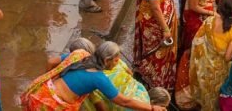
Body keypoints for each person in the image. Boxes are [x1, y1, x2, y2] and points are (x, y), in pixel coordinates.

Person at [23, 41, 163, 110]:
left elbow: (51, 61)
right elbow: (124, 101)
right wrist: (151, 108)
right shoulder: (99, 78)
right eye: (115, 60)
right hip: (50, 106)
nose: (117, 62)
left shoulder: (80, 54)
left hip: (40, 92)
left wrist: (51, 78)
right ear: (106, 60)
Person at [175, 0, 232, 110]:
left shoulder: (209, 21)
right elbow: (227, 58)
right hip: (218, 72)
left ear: (219, 8)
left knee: (203, 88)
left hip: (203, 66)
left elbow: (197, 41)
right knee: (213, 96)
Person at [135, 0, 178, 91]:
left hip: (149, 18)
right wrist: (166, 29)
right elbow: (155, 8)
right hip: (155, 23)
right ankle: (155, 80)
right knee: (157, 51)